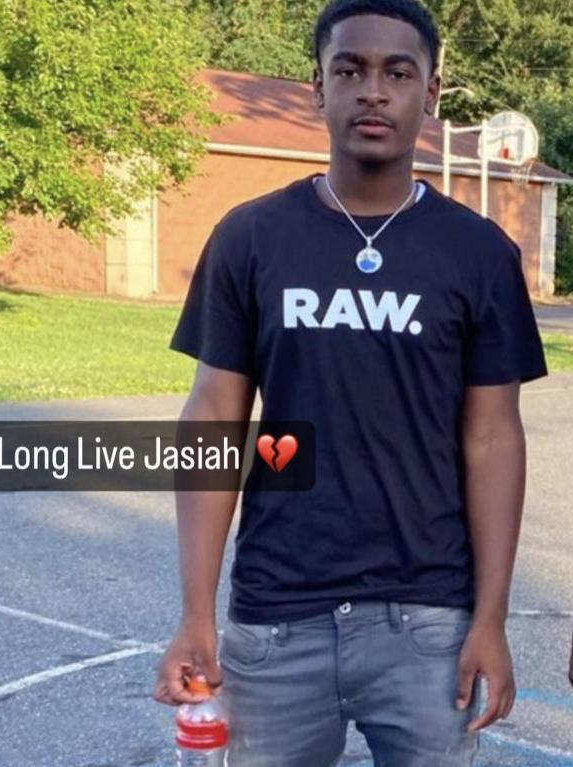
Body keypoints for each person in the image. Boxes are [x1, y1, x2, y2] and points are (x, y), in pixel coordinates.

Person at [153, 0, 548, 764]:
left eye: (397, 73)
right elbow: (214, 416)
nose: (373, 91)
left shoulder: (479, 254)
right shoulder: (251, 237)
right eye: (350, 70)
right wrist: (195, 611)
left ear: (430, 93)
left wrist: (490, 619)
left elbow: (494, 437)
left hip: (427, 621)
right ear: (318, 87)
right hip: (276, 618)